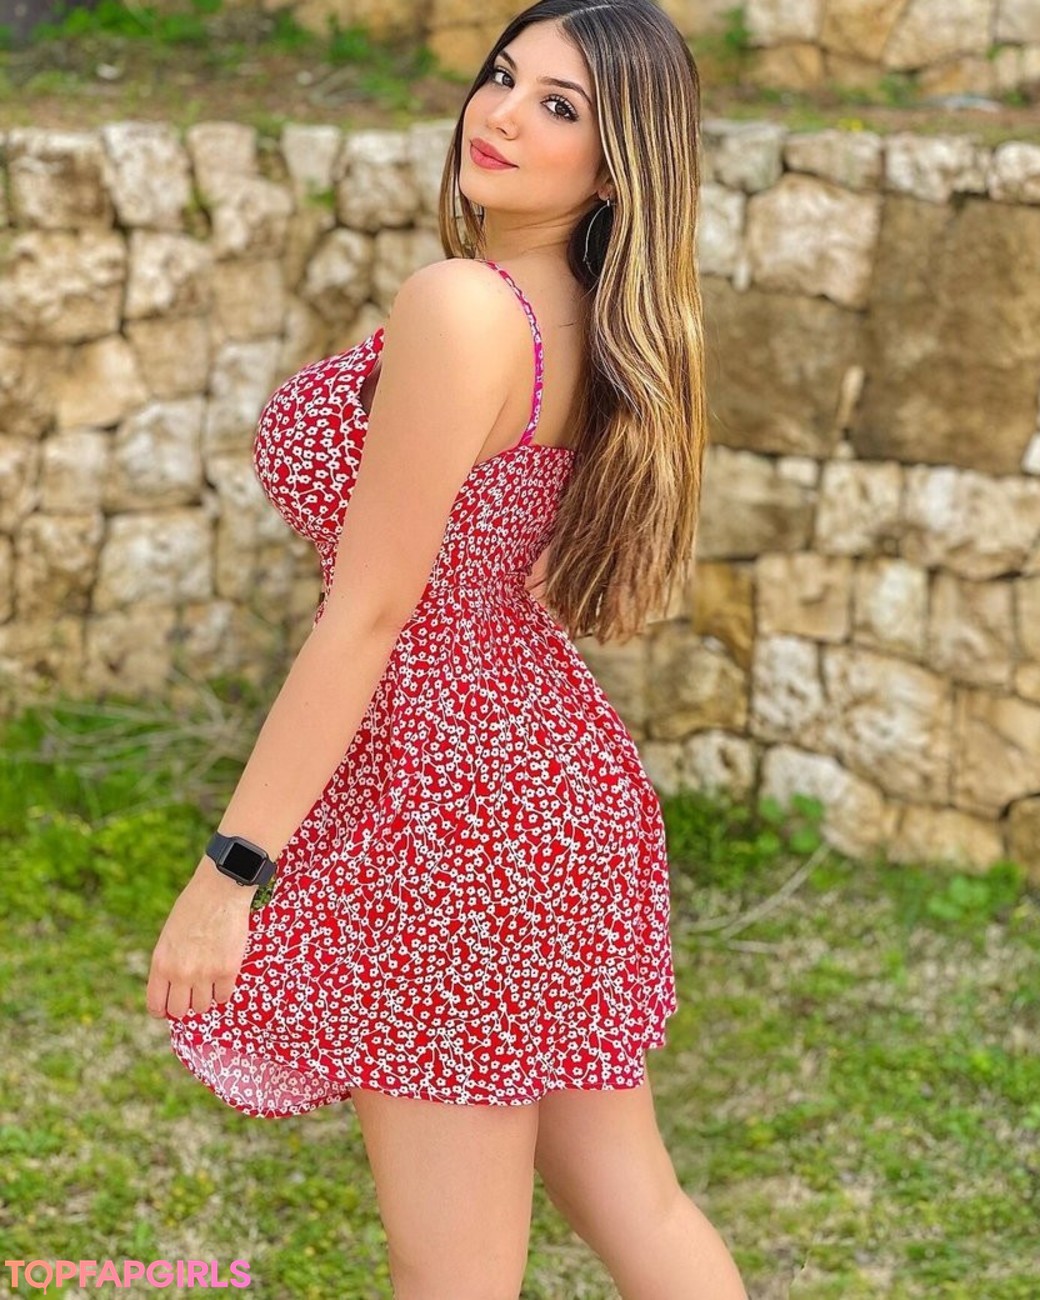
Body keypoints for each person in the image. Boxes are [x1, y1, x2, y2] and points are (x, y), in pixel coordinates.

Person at [147, 0, 749, 1295]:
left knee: (455, 1279)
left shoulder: (464, 306)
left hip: (456, 818)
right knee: (640, 1206)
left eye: (560, 106)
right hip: (552, 783)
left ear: (617, 166)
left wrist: (229, 871)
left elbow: (371, 615)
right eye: (502, 76)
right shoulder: (592, 318)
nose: (502, 114)